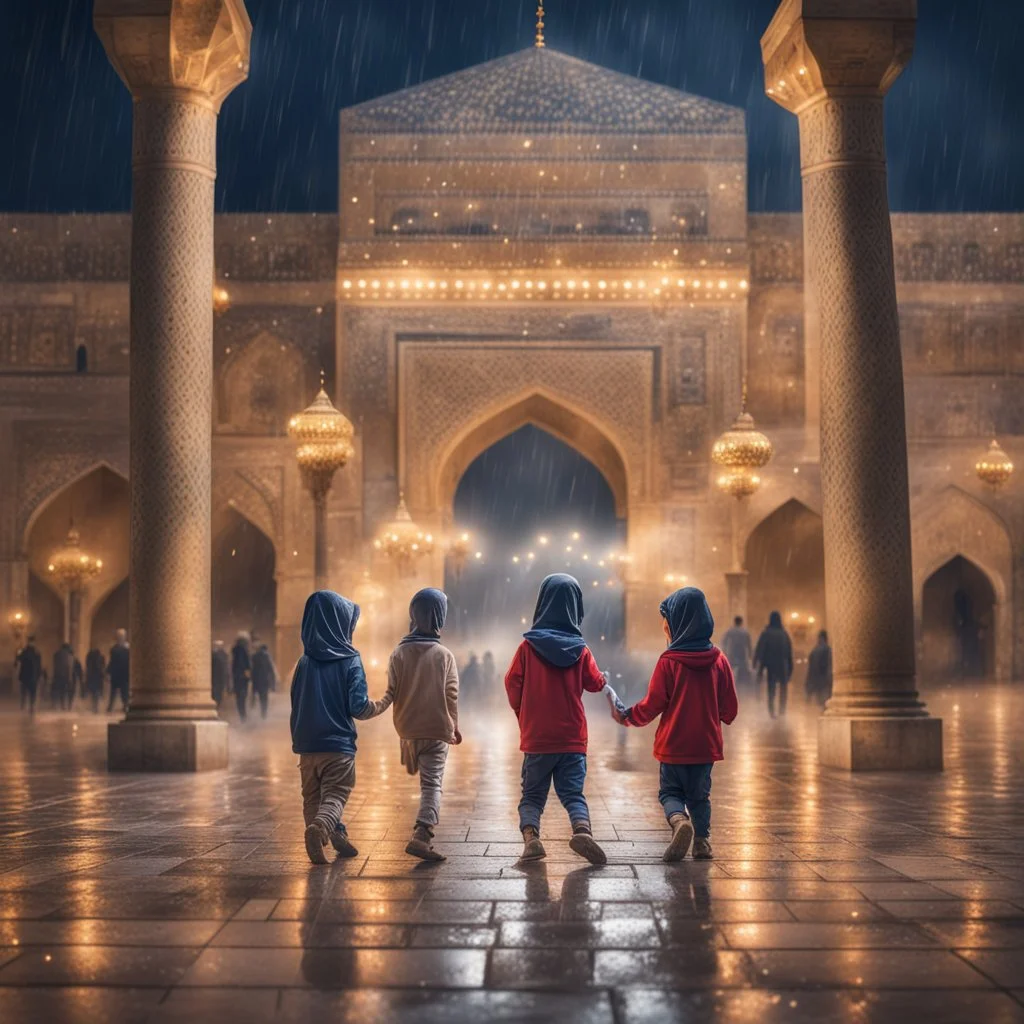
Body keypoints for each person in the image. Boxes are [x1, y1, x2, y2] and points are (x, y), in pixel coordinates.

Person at [613, 587, 738, 861]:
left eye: (667, 625)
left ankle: (679, 820)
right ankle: (703, 842)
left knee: (670, 792)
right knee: (700, 797)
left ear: (677, 624)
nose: (665, 631)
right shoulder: (719, 661)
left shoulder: (668, 662)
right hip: (705, 746)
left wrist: (628, 715)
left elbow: (653, 704)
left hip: (673, 745)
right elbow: (730, 709)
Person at [504, 573, 608, 866]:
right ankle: (582, 831)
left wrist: (523, 713)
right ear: (576, 607)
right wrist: (604, 679)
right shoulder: (580, 649)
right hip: (572, 738)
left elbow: (512, 683)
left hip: (537, 738)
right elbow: (595, 683)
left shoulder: (527, 648)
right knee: (573, 793)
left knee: (533, 796)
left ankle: (531, 838)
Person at [364, 588, 461, 861]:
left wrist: (369, 708)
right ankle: (422, 834)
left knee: (418, 770)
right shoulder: (444, 655)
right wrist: (454, 726)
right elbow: (451, 694)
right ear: (438, 617)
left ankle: (421, 829)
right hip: (436, 730)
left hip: (407, 730)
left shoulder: (398, 653)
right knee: (431, 786)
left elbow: (390, 693)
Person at [290, 590, 376, 865]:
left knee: (312, 796)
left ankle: (334, 835)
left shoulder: (303, 662)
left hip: (307, 746)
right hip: (338, 745)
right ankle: (321, 829)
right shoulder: (350, 659)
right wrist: (383, 704)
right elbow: (358, 707)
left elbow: (296, 701)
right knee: (336, 793)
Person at [754, 611, 793, 718]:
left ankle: (772, 713)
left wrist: (757, 666)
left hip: (771, 666)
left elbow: (760, 650)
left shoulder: (766, 633)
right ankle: (782, 712)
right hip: (782, 666)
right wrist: (790, 669)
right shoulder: (784, 634)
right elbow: (789, 653)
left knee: (771, 690)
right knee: (783, 690)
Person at [721, 616, 753, 688]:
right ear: (741, 622)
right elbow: (749, 645)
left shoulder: (730, 631)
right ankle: (740, 688)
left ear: (735, 622)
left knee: (730, 671)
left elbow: (724, 641)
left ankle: (731, 685)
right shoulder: (745, 632)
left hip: (732, 654)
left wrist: (724, 652)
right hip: (742, 655)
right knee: (742, 673)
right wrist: (750, 656)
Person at [804, 630, 833, 707]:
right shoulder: (828, 649)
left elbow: (811, 669)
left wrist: (809, 687)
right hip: (825, 680)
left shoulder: (814, 650)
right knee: (825, 702)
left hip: (817, 680)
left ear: (820, 638)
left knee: (820, 702)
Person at [251, 641, 278, 720]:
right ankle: (263, 713)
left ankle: (257, 712)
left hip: (256, 681)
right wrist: (273, 685)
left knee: (258, 697)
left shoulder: (254, 656)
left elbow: (253, 670)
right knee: (264, 698)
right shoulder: (267, 657)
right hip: (265, 681)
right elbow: (271, 671)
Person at [16, 636, 42, 713]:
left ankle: (24, 704)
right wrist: (39, 675)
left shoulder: (24, 651)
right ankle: (31, 706)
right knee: (32, 692)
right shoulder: (36, 652)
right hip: (33, 675)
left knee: (24, 691)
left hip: (25, 675)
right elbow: (39, 665)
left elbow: (17, 660)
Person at [107, 629, 130, 712]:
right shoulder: (114, 648)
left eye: (122, 636)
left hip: (124, 674)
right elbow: (112, 661)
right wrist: (108, 672)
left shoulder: (128, 648)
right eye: (119, 636)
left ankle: (125, 706)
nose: (120, 637)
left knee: (125, 692)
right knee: (113, 693)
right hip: (116, 674)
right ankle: (110, 707)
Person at [231, 632, 252, 723]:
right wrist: (247, 673)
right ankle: (243, 716)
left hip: (237, 677)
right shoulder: (243, 650)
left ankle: (242, 715)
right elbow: (244, 664)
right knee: (242, 697)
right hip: (242, 677)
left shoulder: (235, 650)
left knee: (239, 698)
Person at [51, 643, 74, 710]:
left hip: (58, 676)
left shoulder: (56, 655)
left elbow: (55, 666)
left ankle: (59, 705)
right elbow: (69, 667)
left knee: (60, 691)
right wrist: (70, 678)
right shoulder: (69, 656)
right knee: (68, 691)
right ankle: (67, 706)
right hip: (66, 676)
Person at [84, 646, 106, 713]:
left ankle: (94, 707)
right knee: (96, 693)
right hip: (98, 677)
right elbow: (103, 667)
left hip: (91, 677)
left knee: (93, 693)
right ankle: (95, 707)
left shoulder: (90, 658)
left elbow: (88, 667)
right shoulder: (101, 658)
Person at [211, 640, 229, 708]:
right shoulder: (222, 655)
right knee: (217, 695)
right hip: (217, 678)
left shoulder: (217, 654)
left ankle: (216, 707)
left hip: (217, 678)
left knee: (217, 695)